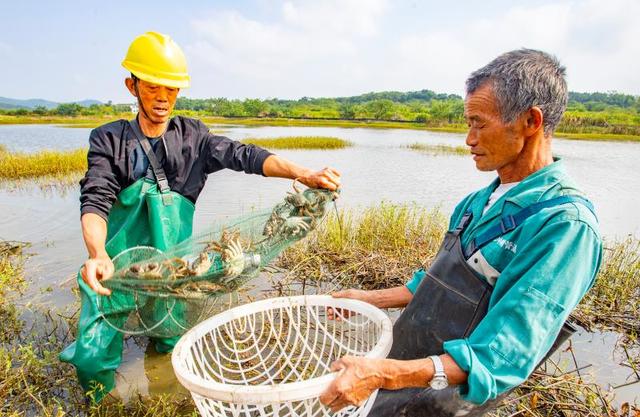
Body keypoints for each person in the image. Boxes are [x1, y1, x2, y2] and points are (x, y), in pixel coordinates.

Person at [59, 31, 341, 402]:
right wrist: (97, 253)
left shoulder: (194, 137)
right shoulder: (108, 140)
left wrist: (301, 173)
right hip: (115, 269)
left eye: (171, 90)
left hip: (175, 272)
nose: (162, 98)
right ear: (132, 86)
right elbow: (95, 198)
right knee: (93, 358)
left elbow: (246, 155)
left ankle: (163, 395)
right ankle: (103, 405)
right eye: (153, 87)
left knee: (171, 342)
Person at [319, 49, 602, 416]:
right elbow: (436, 282)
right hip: (398, 374)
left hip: (442, 399)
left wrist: (384, 373)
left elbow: (499, 356)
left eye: (479, 123)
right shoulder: (475, 203)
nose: (468, 139)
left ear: (531, 121)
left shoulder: (564, 227)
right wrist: (367, 299)